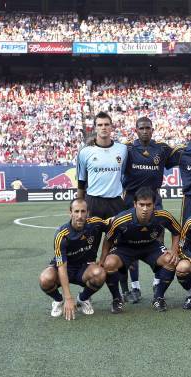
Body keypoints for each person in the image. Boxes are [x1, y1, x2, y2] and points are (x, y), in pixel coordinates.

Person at [76, 111, 129, 308]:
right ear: (95, 128)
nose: (104, 128)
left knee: (117, 250)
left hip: (115, 204)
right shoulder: (85, 152)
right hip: (93, 203)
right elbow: (81, 182)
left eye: (107, 124)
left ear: (111, 127)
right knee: (90, 250)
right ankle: (87, 294)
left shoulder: (122, 150)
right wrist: (80, 206)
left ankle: (118, 296)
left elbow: (125, 176)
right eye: (100, 124)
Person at [100, 187, 181, 312]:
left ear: (154, 205)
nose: (145, 209)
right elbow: (108, 239)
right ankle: (117, 299)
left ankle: (158, 297)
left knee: (171, 260)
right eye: (141, 205)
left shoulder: (163, 215)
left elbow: (177, 232)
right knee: (109, 263)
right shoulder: (122, 219)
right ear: (135, 204)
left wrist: (174, 250)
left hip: (151, 246)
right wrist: (102, 259)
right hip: (125, 248)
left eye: (148, 205)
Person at [120, 116, 172, 303]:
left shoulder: (162, 149)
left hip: (154, 199)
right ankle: (133, 287)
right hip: (131, 200)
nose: (145, 131)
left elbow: (183, 157)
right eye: (141, 128)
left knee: (159, 239)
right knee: (129, 242)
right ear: (136, 130)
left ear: (152, 129)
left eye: (148, 128)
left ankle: (158, 282)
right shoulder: (127, 150)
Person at [38, 198, 108, 320]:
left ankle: (83, 299)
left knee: (100, 274)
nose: (80, 216)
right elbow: (62, 267)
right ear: (70, 213)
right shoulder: (62, 235)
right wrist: (68, 298)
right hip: (64, 269)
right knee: (45, 279)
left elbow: (112, 228)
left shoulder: (95, 223)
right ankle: (58, 301)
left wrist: (103, 257)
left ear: (88, 212)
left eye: (83, 211)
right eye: (76, 211)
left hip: (84, 268)